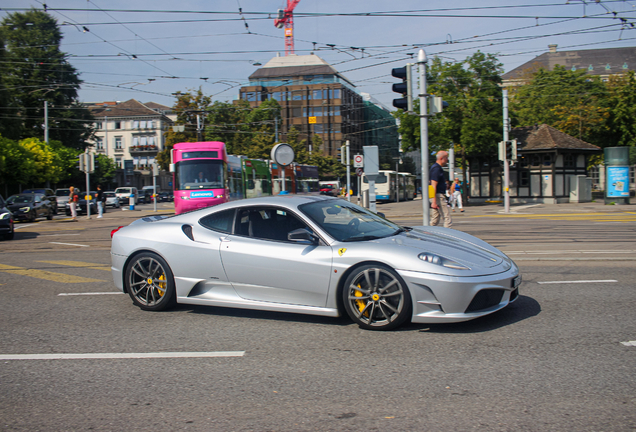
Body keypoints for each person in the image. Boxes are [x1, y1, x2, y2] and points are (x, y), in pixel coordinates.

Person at [430, 151, 452, 228]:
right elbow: (433, 185)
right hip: (438, 196)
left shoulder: (435, 167)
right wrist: (434, 201)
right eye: (446, 157)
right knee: (447, 218)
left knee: (435, 219)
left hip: (436, 196)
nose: (447, 159)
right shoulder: (437, 169)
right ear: (441, 158)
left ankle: (428, 233)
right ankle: (448, 235)